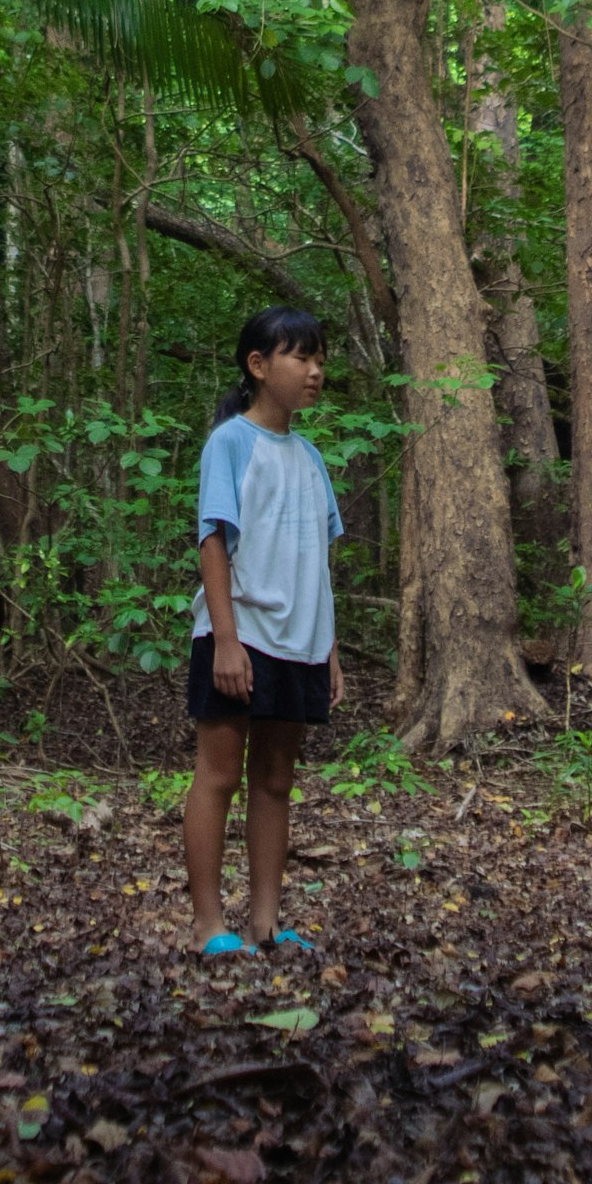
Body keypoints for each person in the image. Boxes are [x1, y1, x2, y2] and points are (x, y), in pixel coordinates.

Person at [182, 305, 343, 956]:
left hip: (300, 640)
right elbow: (213, 538)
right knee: (218, 774)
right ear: (258, 365)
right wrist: (225, 638)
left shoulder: (309, 458)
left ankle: (267, 923)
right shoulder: (230, 442)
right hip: (239, 632)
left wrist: (328, 651)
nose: (314, 371)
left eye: (319, 359)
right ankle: (208, 924)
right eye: (300, 357)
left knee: (276, 779)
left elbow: (318, 560)